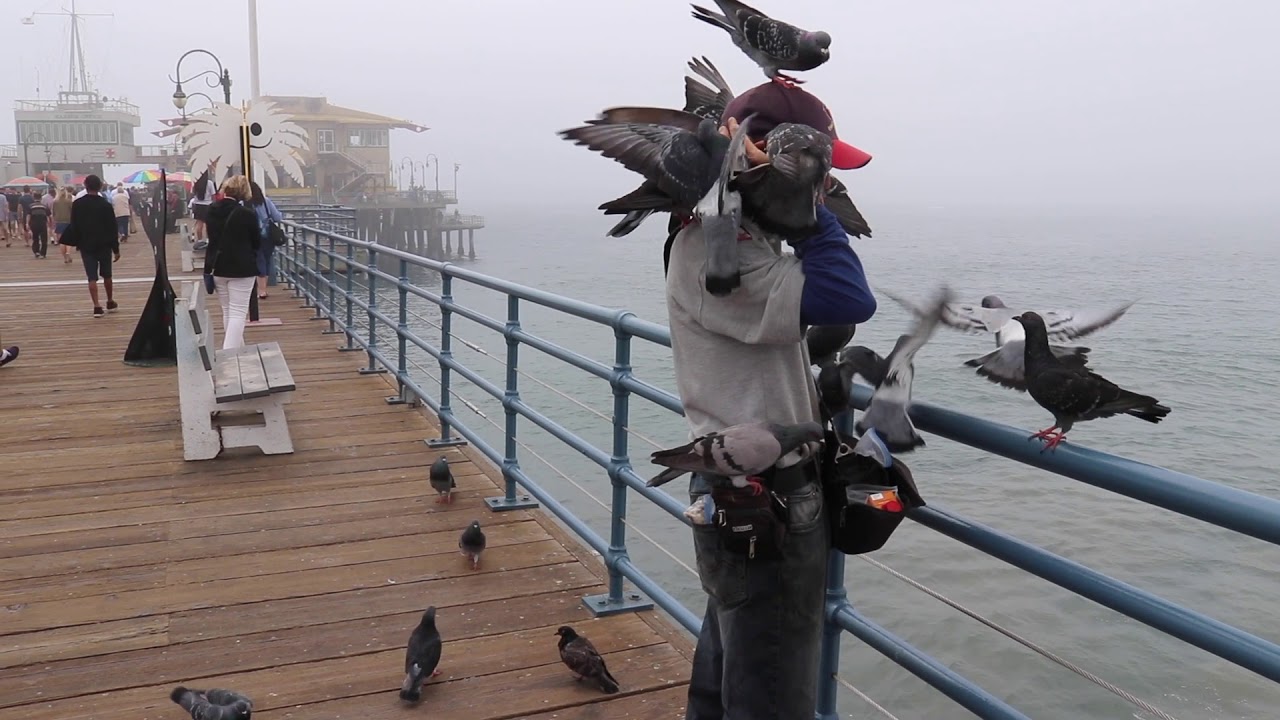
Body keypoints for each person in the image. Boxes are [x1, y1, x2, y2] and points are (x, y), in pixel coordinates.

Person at [666, 81, 877, 720]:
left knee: (731, 672)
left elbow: (764, 340)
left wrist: (809, 386)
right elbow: (848, 298)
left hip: (741, 491)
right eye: (814, 173)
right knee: (774, 695)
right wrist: (811, 219)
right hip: (767, 501)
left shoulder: (737, 242)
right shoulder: (717, 250)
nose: (822, 188)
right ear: (760, 159)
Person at [204, 175, 261, 350]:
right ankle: (228, 354)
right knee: (238, 312)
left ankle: (238, 349)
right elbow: (256, 242)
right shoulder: (247, 214)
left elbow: (210, 237)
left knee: (227, 310)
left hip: (217, 266)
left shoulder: (211, 210)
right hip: (242, 268)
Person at [62, 174, 121, 318]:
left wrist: (77, 241)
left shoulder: (78, 204)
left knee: (92, 277)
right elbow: (112, 227)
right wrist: (116, 249)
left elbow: (74, 224)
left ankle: (96, 306)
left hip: (86, 244)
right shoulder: (105, 205)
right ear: (100, 186)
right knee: (107, 275)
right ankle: (110, 301)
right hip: (104, 244)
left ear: (85, 186)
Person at [247, 181, 283, 299]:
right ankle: (263, 289)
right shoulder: (266, 202)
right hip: (268, 236)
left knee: (259, 260)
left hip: (252, 236)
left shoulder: (245, 203)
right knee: (266, 260)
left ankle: (261, 290)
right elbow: (277, 217)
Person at [189, 170, 217, 242]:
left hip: (198, 205)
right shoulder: (209, 183)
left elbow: (192, 194)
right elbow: (213, 195)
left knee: (199, 224)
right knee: (209, 224)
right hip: (208, 205)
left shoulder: (195, 183)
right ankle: (208, 239)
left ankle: (200, 240)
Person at [26, 191, 51, 259]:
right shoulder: (44, 206)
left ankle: (36, 251)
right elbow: (49, 216)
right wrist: (50, 224)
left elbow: (28, 216)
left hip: (34, 224)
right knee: (44, 239)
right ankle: (43, 253)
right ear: (41, 198)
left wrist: (27, 224)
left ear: (34, 198)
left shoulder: (31, 206)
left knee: (35, 238)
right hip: (43, 224)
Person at [53, 187, 74, 263]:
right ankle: (68, 252)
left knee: (61, 241)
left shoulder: (55, 201)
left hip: (59, 221)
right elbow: (73, 211)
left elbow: (53, 212)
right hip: (68, 221)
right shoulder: (69, 201)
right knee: (68, 240)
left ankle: (65, 258)